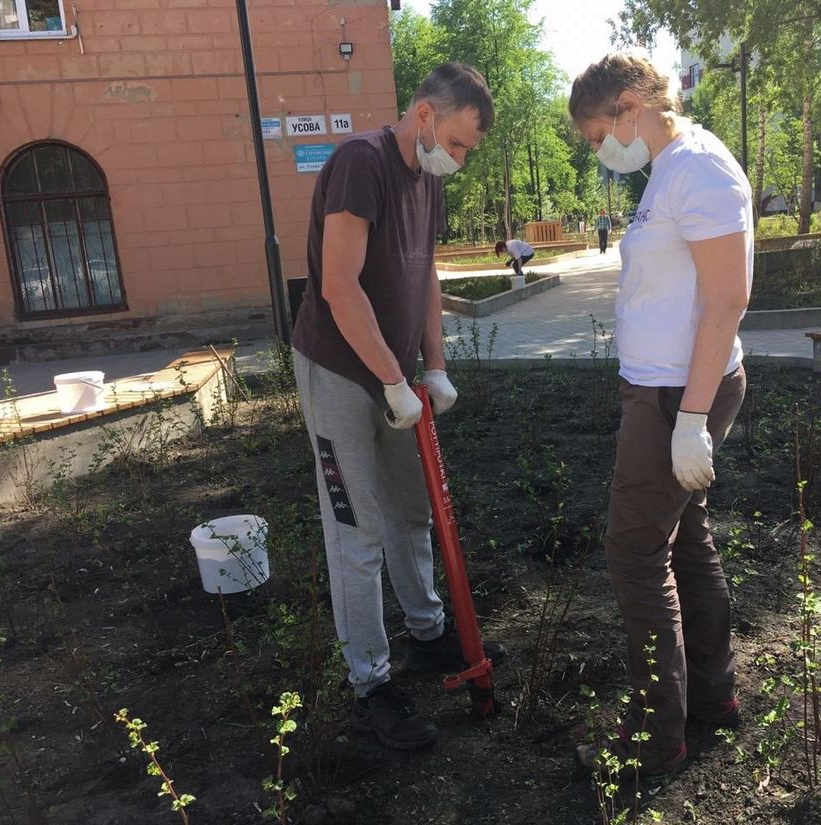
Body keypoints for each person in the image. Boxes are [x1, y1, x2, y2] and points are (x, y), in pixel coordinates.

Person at [291, 62, 503, 752]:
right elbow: (338, 285)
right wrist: (389, 378)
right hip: (338, 371)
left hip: (397, 376)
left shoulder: (426, 178)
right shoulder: (362, 163)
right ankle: (370, 685)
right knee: (357, 528)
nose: (459, 159)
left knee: (413, 509)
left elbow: (425, 274)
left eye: (468, 149)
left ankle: (427, 631)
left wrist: (433, 366)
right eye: (458, 142)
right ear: (424, 115)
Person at [567, 54, 753, 783]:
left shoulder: (699, 168)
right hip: (666, 393)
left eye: (596, 135)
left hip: (678, 396)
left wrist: (691, 418)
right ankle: (711, 695)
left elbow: (728, 299)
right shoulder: (671, 169)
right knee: (684, 540)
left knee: (634, 553)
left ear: (628, 103)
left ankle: (654, 735)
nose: (599, 151)